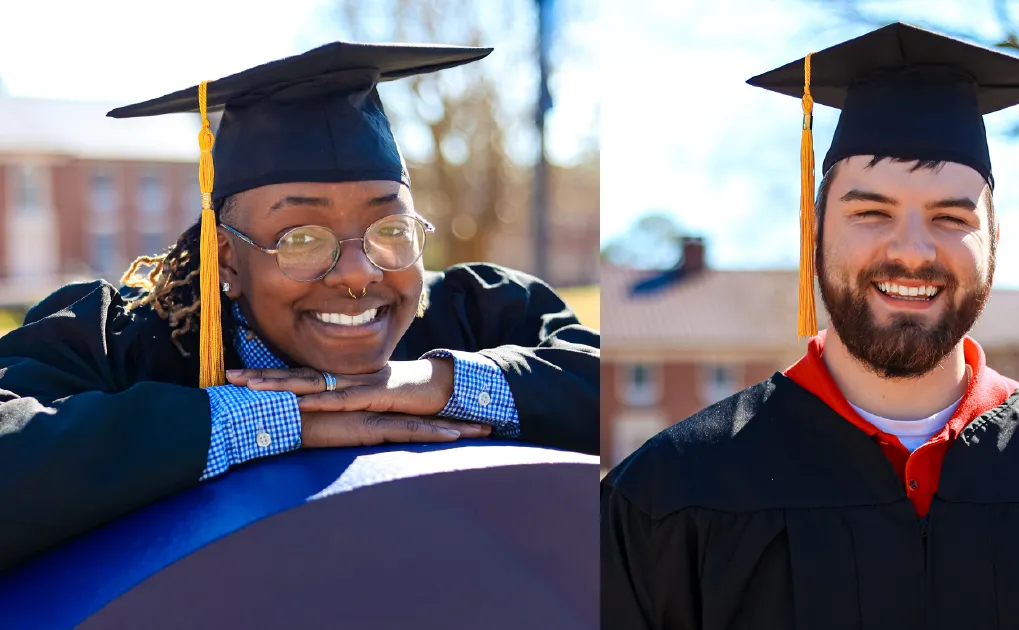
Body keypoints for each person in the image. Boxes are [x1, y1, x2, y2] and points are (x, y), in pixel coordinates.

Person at [601, 23, 1019, 629]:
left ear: (995, 240)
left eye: (949, 216)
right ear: (814, 233)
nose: (912, 251)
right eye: (870, 211)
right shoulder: (666, 498)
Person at [0, 42, 599, 571]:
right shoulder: (123, 341)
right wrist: (250, 421)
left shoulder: (479, 313)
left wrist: (438, 382)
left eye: (390, 227)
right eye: (301, 240)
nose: (360, 272)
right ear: (227, 261)